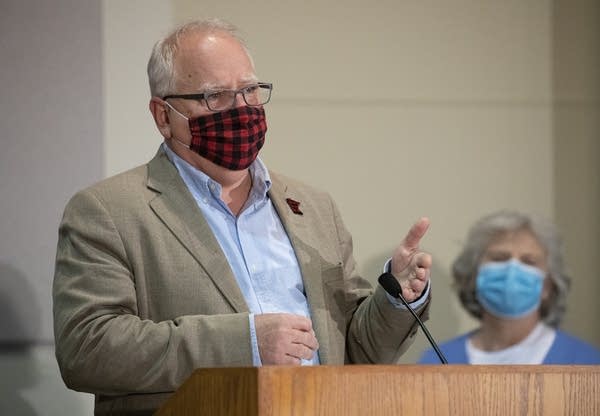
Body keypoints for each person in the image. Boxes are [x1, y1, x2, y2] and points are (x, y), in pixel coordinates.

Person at [53, 18, 434, 415]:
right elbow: (87, 349)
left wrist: (395, 298)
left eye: (250, 90)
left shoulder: (313, 207)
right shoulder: (108, 210)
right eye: (215, 96)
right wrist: (246, 343)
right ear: (163, 116)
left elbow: (354, 348)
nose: (242, 109)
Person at [418, 210, 600, 365]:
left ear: (548, 285)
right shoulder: (436, 362)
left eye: (529, 261)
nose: (512, 270)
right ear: (473, 275)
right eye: (499, 258)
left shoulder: (587, 363)